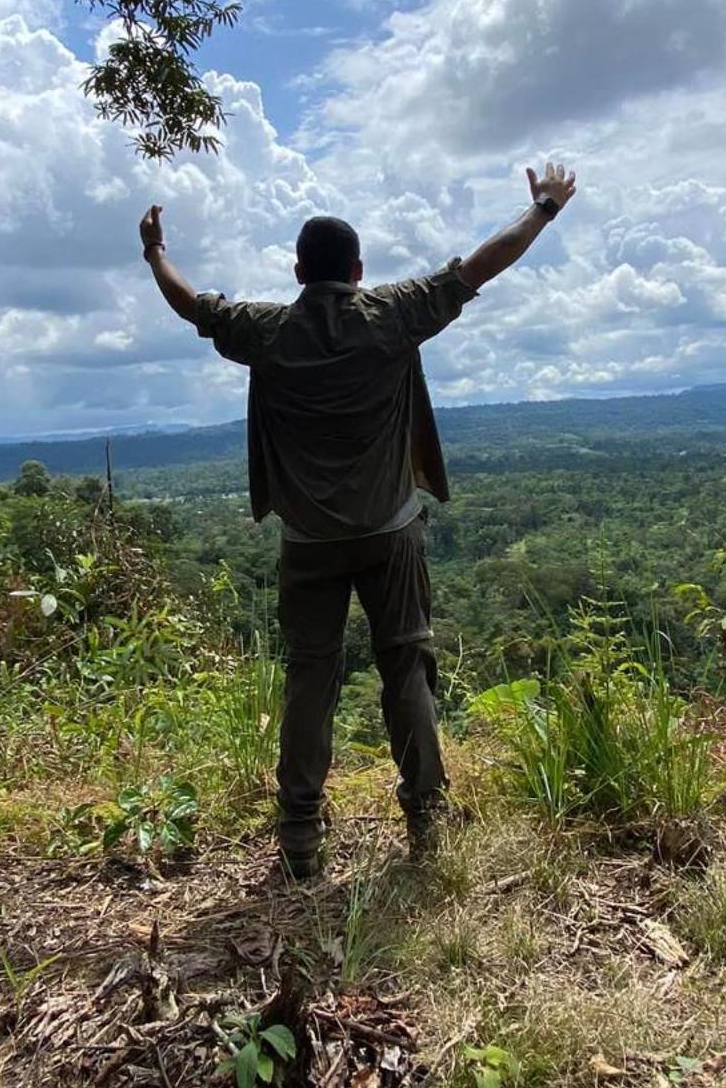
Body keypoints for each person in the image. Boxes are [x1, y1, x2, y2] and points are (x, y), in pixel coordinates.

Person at [139, 160, 578, 878]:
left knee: (311, 678)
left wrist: (155, 250)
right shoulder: (392, 314)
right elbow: (480, 267)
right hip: (390, 532)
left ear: (297, 271)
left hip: (308, 541)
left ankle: (301, 837)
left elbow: (193, 307)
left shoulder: (269, 331)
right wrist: (544, 210)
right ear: (359, 267)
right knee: (405, 668)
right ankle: (426, 822)